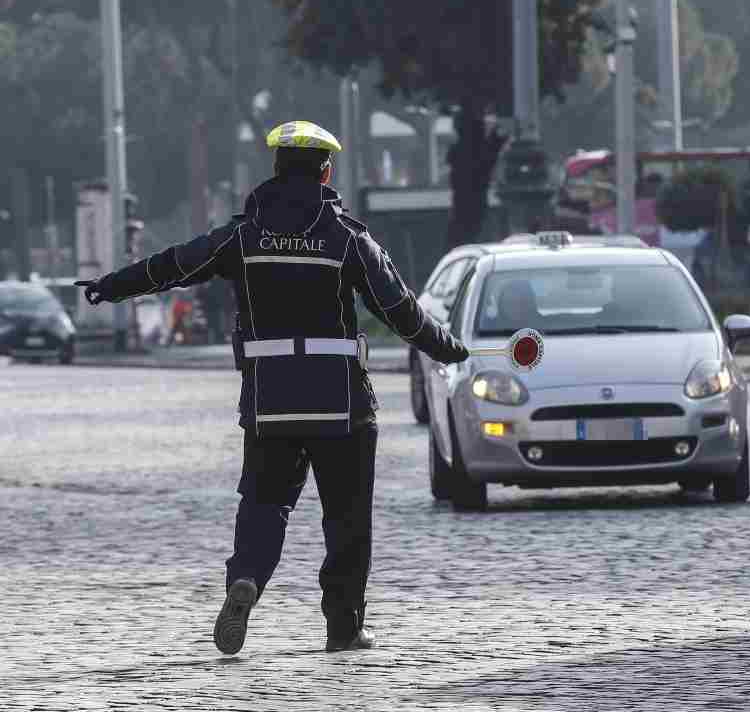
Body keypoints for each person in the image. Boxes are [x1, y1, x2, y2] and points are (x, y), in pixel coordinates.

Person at [76, 120, 470, 655]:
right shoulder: (347, 239)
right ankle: (344, 626)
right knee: (347, 518)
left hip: (270, 402)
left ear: (276, 169)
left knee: (264, 504)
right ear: (327, 171)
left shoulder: (244, 236)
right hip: (342, 407)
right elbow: (400, 311)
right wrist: (449, 348)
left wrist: (108, 286)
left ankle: (248, 578)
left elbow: (172, 265)